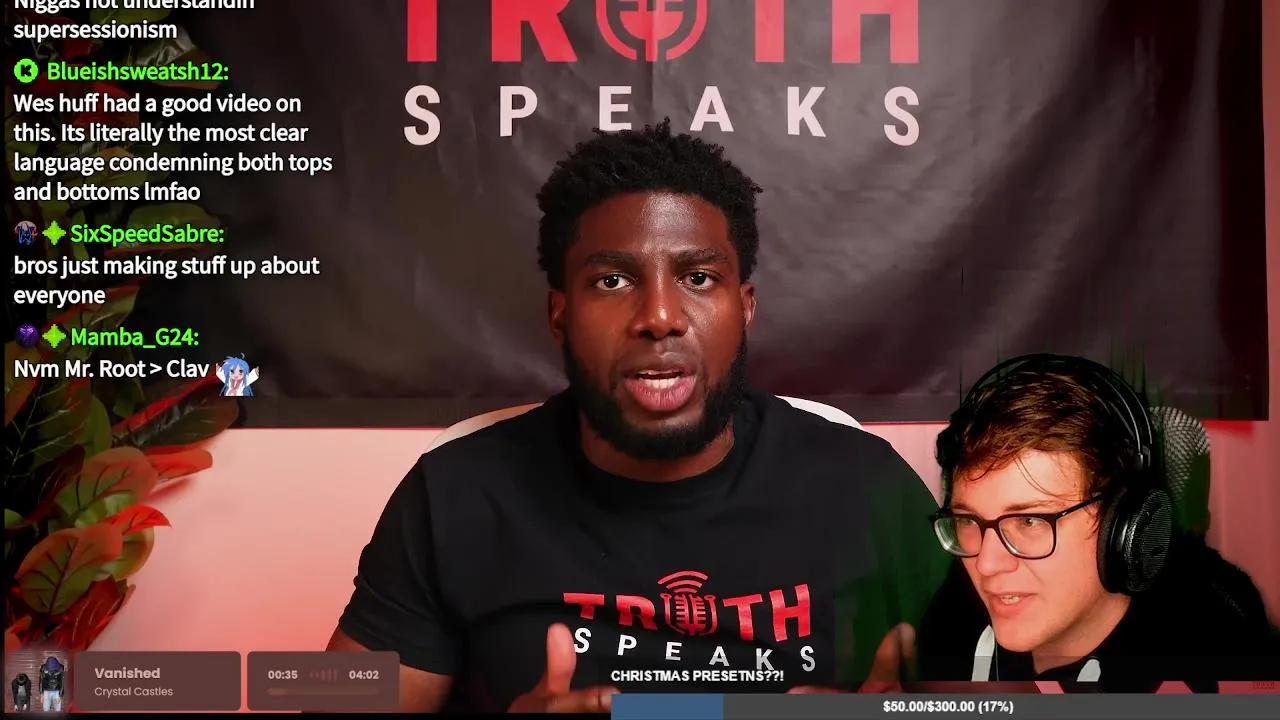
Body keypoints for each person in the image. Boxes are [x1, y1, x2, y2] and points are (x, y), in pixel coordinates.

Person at [327, 120, 950, 711]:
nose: (660, 316)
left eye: (698, 277)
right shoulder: (452, 494)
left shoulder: (864, 483)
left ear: (746, 307)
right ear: (560, 313)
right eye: (612, 281)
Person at [916, 354, 1280, 692]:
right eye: (968, 520)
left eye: (1029, 520)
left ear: (1123, 529)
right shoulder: (953, 617)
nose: (986, 564)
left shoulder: (1216, 656)